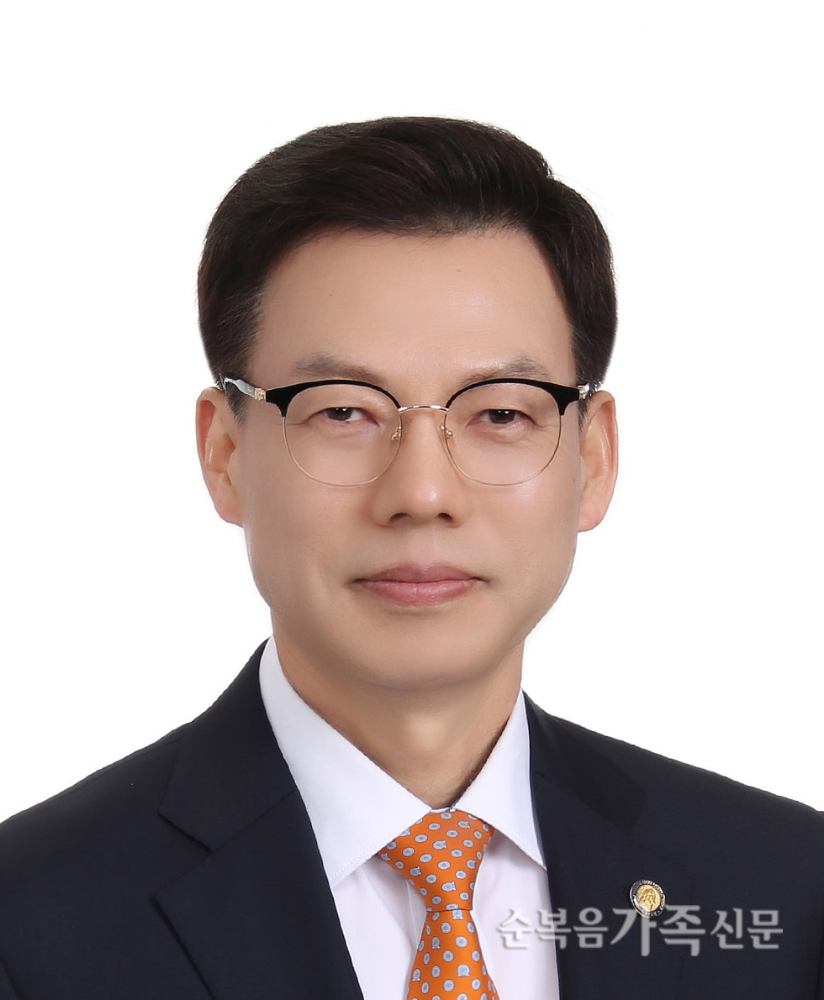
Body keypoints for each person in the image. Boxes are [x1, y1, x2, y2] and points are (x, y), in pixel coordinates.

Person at [0, 117, 821, 1000]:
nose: (423, 492)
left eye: (501, 412)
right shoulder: (30, 923)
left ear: (593, 459)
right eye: (342, 411)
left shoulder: (788, 889)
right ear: (225, 454)